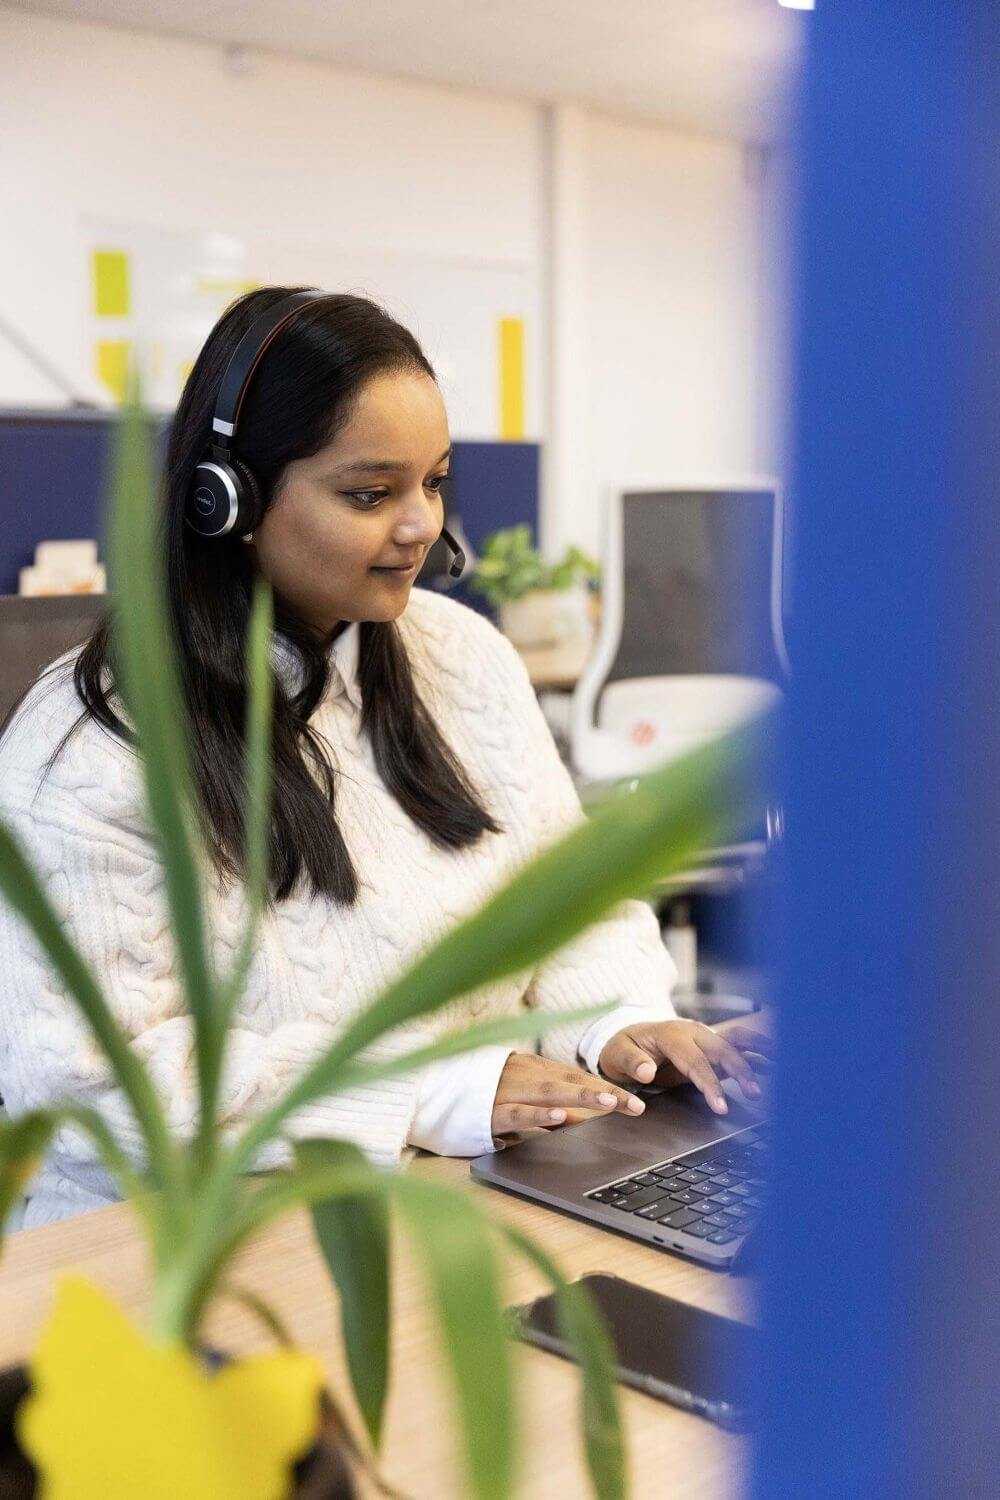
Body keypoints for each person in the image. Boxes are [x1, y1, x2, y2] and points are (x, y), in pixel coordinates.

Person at [0, 287, 770, 1227]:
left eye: (433, 482)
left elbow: (568, 895)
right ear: (227, 501)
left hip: (459, 1194)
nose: (421, 527)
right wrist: (431, 1093)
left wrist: (621, 1025)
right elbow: (86, 1075)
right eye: (370, 494)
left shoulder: (463, 657)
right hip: (183, 1240)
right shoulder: (91, 748)